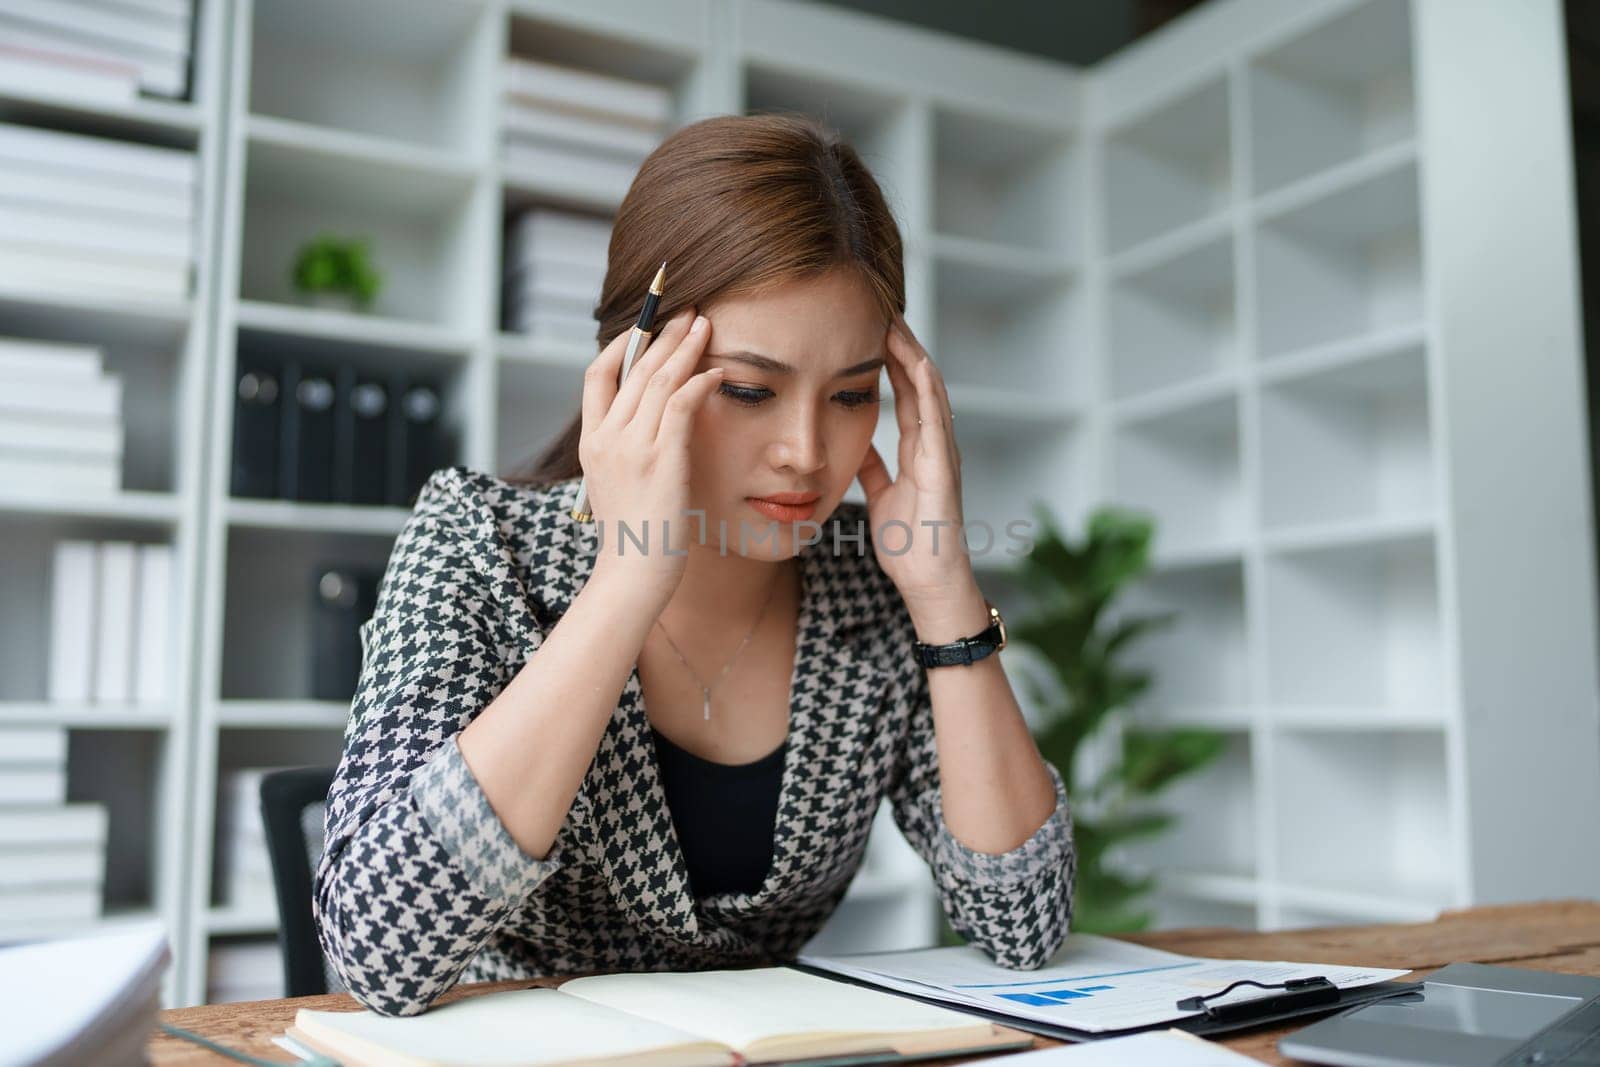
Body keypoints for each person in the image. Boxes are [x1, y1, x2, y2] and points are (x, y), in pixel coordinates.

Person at [313, 113, 1076, 1018]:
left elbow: (1024, 925)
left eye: (851, 395)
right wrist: (629, 577)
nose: (805, 451)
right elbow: (378, 950)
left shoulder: (871, 585)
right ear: (634, 369)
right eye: (750, 390)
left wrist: (946, 590)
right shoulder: (479, 542)